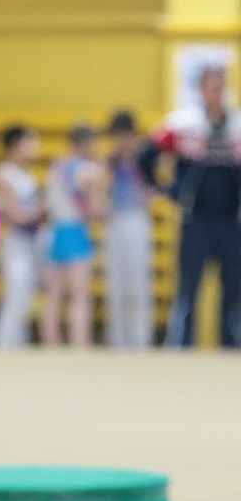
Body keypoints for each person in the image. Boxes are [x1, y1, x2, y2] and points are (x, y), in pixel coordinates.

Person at [140, 66, 241, 348]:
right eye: (211, 87)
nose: (216, 93)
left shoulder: (236, 126)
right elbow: (147, 154)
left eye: (220, 87)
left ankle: (231, 346)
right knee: (188, 288)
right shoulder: (184, 123)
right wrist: (164, 189)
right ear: (201, 90)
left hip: (231, 220)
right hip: (195, 219)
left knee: (232, 289)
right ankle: (182, 345)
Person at [41, 124, 107, 346]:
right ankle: (79, 344)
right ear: (86, 143)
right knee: (80, 296)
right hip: (74, 230)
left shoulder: (57, 166)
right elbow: (96, 208)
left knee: (54, 294)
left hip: (54, 230)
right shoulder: (85, 168)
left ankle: (51, 345)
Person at [0, 125, 45, 347]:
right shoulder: (4, 174)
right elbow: (17, 216)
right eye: (30, 142)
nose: (35, 147)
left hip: (30, 243)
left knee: (25, 300)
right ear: (15, 145)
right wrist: (43, 207)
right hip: (13, 243)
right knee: (15, 297)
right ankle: (2, 347)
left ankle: (16, 346)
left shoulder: (27, 175)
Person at [104, 110, 154, 348]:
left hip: (136, 219)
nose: (122, 141)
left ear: (134, 136)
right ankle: (117, 338)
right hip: (114, 221)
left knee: (138, 281)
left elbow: (151, 193)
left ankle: (141, 337)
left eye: (125, 135)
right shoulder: (109, 163)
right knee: (116, 281)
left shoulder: (143, 162)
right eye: (117, 136)